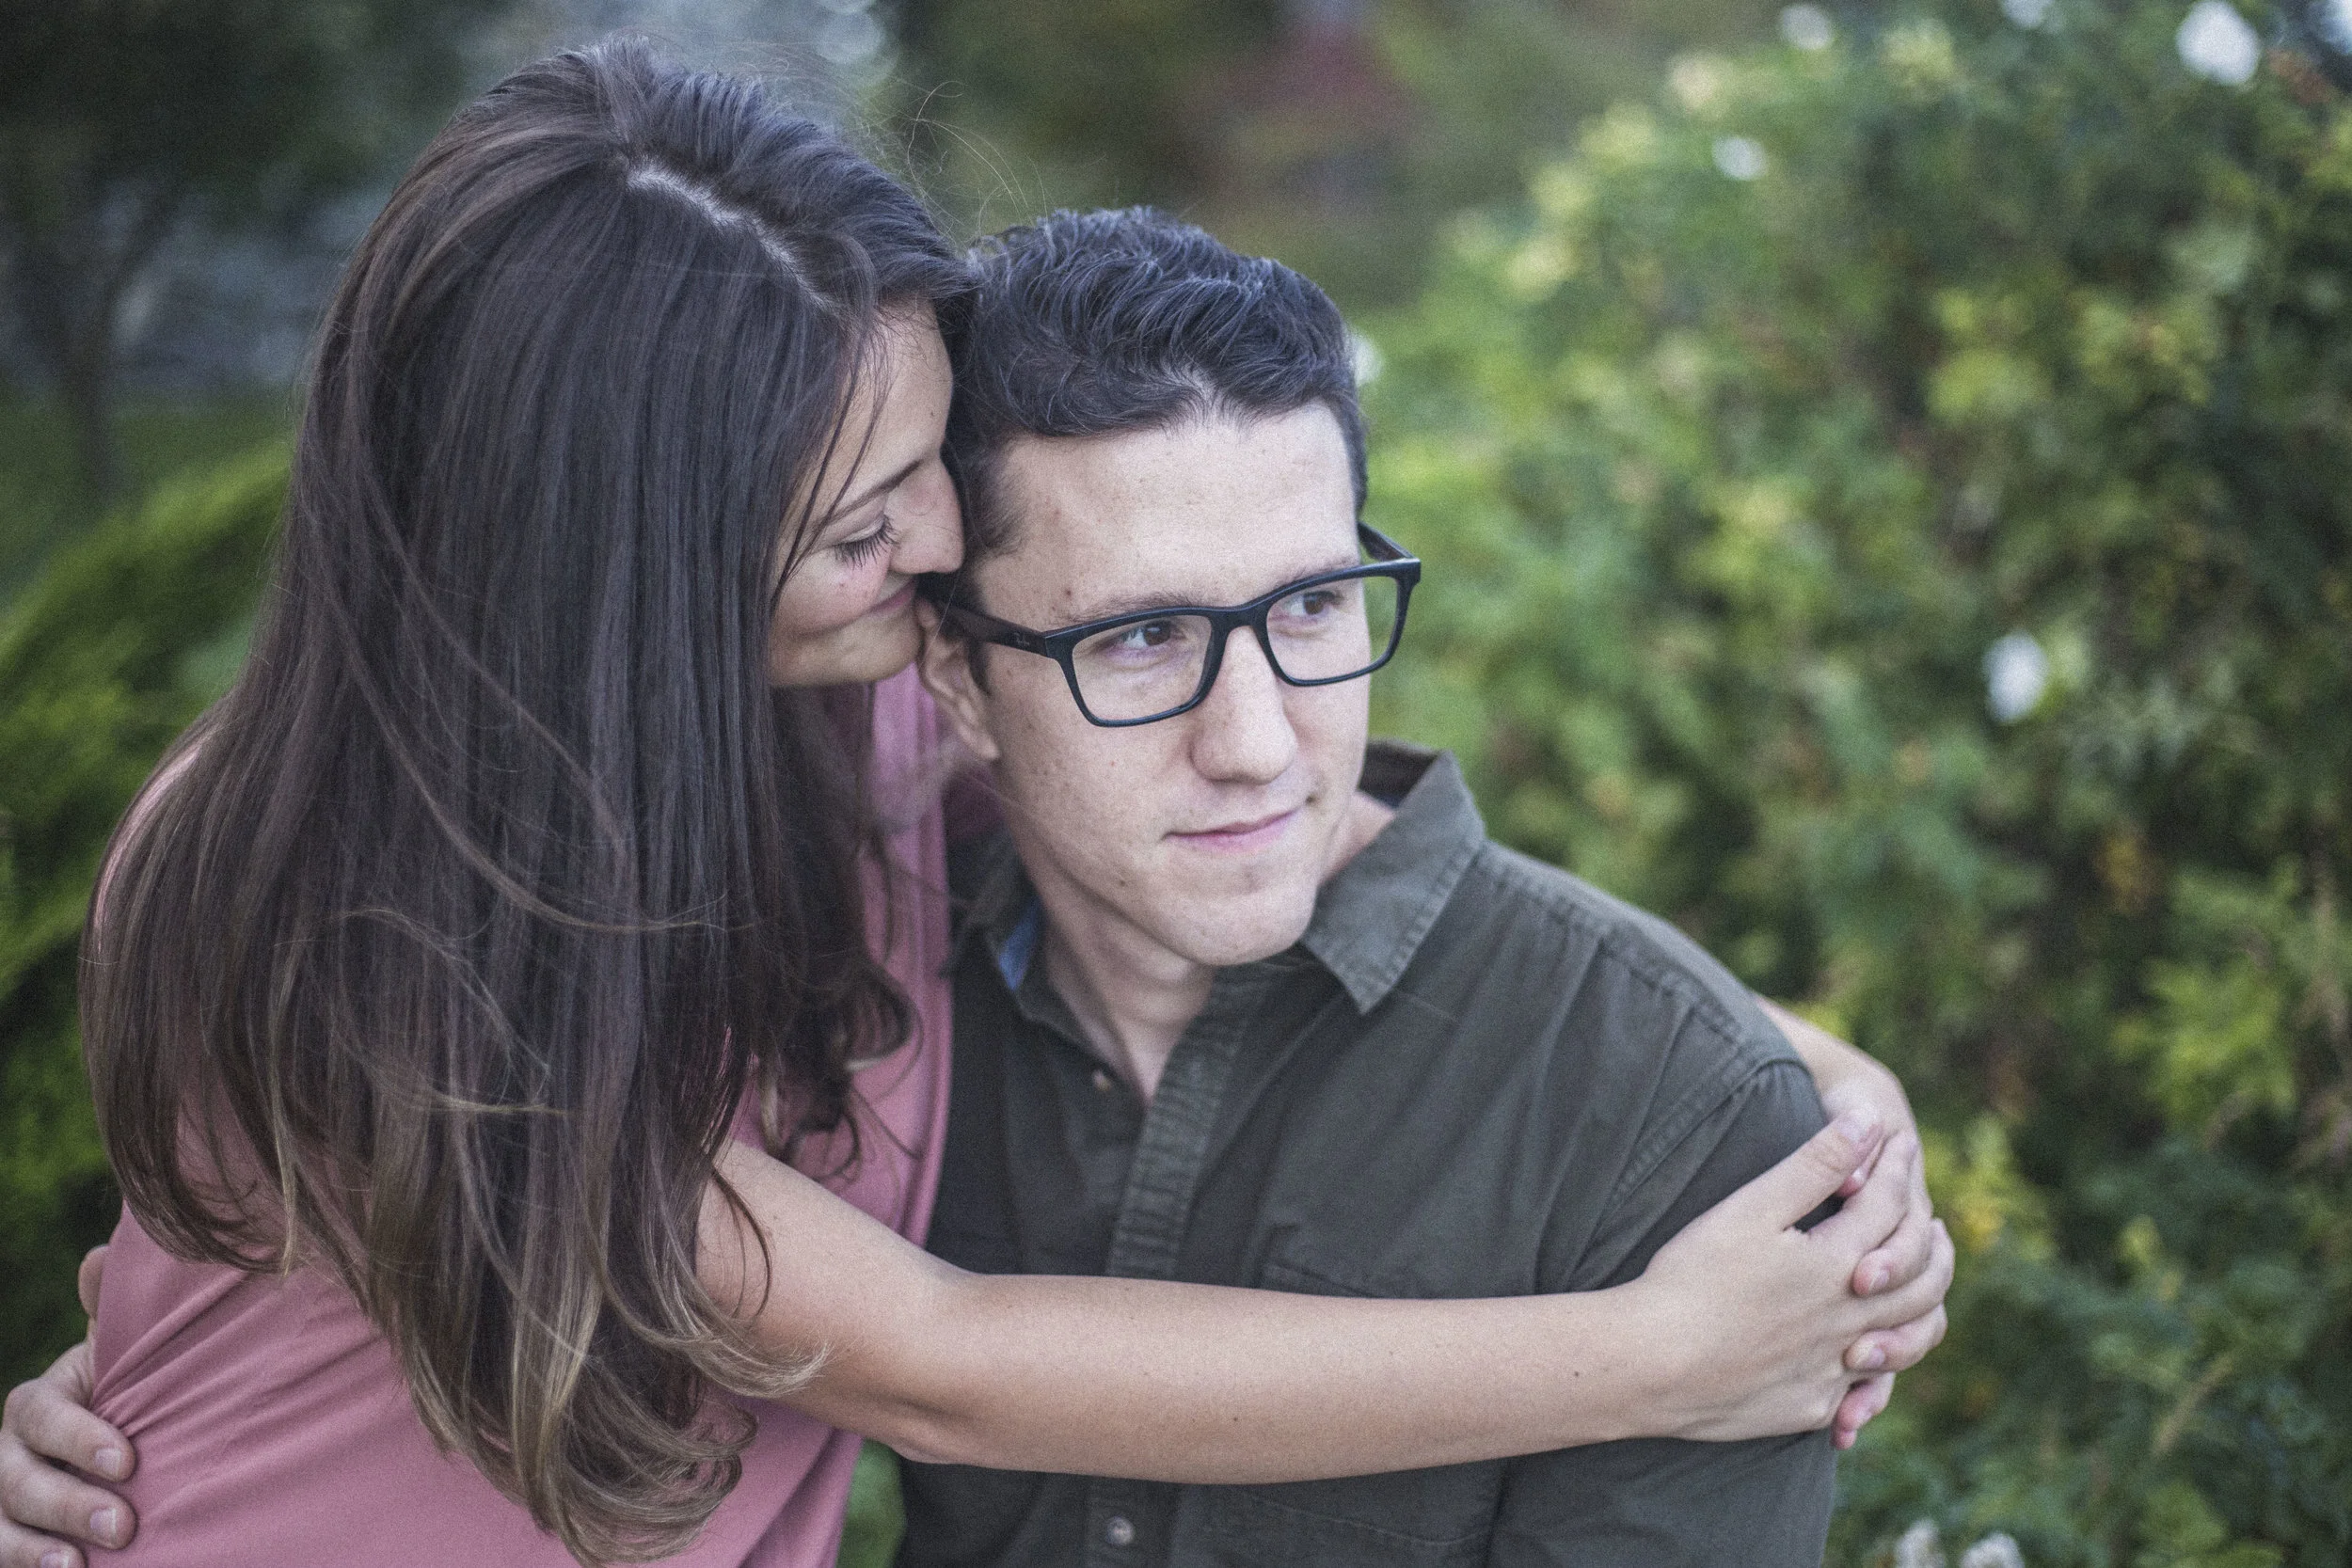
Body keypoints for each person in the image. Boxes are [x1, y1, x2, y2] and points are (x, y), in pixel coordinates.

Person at [0, 44, 1948, 1568]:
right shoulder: (352, 910)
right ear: (630, 576)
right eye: (863, 523)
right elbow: (943, 1363)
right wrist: (1660, 1351)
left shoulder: (830, 710)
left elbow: (1247, 805)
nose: (940, 542)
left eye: (927, 457)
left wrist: (1775, 1079)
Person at [888, 207, 1920, 1568]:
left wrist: (1734, 1056)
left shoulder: (1683, 1127)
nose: (1256, 743)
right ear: (959, 679)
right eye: (1141, 638)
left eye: (1312, 607)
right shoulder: (865, 986)